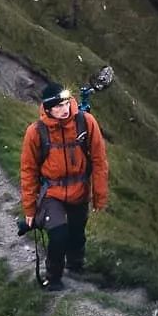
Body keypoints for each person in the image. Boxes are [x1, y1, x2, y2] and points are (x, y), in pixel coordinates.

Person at [20, 81, 109, 291]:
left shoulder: (86, 123)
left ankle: (76, 266)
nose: (65, 109)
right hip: (52, 193)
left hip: (80, 189)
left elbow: (99, 160)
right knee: (58, 234)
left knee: (77, 232)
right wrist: (30, 210)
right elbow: (28, 172)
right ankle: (54, 277)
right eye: (58, 106)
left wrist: (99, 196)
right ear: (48, 109)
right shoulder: (35, 132)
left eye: (66, 103)